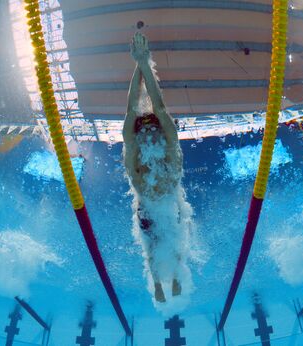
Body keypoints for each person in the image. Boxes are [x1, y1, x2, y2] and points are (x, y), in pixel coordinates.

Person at [123, 32, 192, 303]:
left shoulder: (171, 147)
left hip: (168, 202)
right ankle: (158, 284)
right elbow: (131, 113)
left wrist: (143, 63)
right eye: (145, 126)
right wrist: (139, 64)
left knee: (175, 241)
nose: (150, 128)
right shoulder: (135, 153)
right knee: (151, 249)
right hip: (147, 207)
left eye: (154, 125)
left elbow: (160, 108)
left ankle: (174, 278)